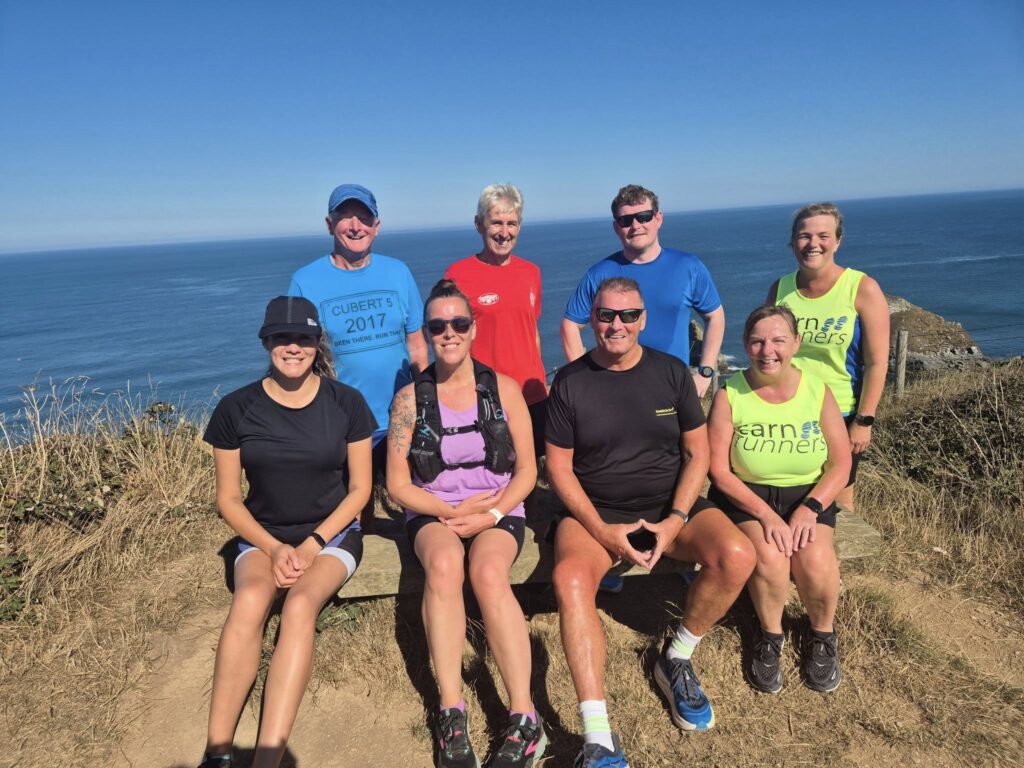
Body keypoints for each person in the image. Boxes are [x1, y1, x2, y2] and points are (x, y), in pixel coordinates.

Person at [546, 277, 755, 766]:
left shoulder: (671, 373)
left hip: (669, 505)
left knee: (738, 554)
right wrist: (603, 532)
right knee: (570, 578)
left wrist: (675, 519)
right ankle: (598, 736)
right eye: (605, 315)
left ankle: (676, 659)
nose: (615, 325)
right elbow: (557, 468)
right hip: (598, 510)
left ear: (644, 319)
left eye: (628, 316)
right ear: (592, 317)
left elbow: (697, 451)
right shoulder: (570, 381)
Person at [198, 296, 375, 768]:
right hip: (263, 535)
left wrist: (313, 544)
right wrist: (276, 547)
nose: (292, 347)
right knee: (251, 600)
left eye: (303, 338)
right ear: (266, 342)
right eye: (282, 338)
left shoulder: (347, 403)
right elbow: (228, 500)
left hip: (333, 535)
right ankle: (216, 752)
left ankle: (268, 758)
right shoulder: (236, 409)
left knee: (299, 605)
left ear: (318, 343)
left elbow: (360, 490)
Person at [386, 280, 546, 768]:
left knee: (489, 573)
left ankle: (525, 717)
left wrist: (492, 512)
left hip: (499, 508)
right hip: (436, 509)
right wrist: (451, 512)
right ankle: (451, 711)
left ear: (473, 329)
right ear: (428, 333)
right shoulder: (409, 401)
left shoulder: (504, 389)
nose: (449, 334)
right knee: (442, 565)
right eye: (438, 325)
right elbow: (398, 485)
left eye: (458, 323)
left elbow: (527, 470)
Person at [708, 305, 852, 694]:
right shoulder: (730, 395)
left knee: (815, 558)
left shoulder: (817, 391)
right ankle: (770, 636)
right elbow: (719, 471)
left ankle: (822, 635)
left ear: (796, 344)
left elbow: (841, 463)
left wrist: (811, 507)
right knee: (770, 556)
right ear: (745, 345)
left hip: (808, 494)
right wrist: (767, 517)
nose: (766, 350)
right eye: (756, 341)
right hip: (747, 496)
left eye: (777, 340)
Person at [288, 183, 428, 473]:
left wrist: (426, 400)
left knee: (413, 496)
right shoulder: (305, 281)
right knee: (355, 504)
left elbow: (416, 343)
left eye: (364, 218)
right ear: (329, 225)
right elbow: (294, 355)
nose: (355, 226)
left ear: (376, 226)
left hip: (402, 415)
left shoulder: (398, 272)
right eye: (345, 217)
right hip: (341, 419)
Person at [768, 202, 889, 512]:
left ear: (838, 240)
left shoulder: (862, 288)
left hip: (841, 411)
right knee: (789, 489)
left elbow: (877, 362)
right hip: (788, 410)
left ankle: (838, 561)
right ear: (793, 241)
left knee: (839, 494)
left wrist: (864, 420)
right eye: (804, 236)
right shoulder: (780, 290)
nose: (813, 244)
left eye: (823, 235)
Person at [561, 184, 725, 398]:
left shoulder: (689, 267)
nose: (636, 225)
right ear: (616, 227)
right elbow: (570, 324)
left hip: (673, 388)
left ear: (659, 219)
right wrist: (584, 380)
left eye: (644, 216)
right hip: (614, 390)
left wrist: (705, 373)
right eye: (626, 220)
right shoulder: (599, 274)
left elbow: (715, 316)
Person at [445, 183, 548, 455]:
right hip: (484, 397)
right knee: (488, 477)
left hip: (531, 395)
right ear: (479, 224)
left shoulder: (531, 273)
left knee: (530, 477)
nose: (505, 232)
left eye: (512, 223)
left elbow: (531, 331)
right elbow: (447, 341)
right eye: (496, 223)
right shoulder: (458, 275)